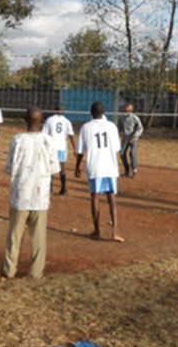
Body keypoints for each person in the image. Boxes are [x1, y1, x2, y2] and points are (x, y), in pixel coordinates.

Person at [3, 107, 60, 279]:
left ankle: (9, 269)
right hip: (40, 196)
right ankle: (36, 272)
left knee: (14, 235)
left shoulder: (17, 140)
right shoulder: (48, 141)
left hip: (21, 194)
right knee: (38, 238)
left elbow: (9, 167)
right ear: (42, 121)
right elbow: (54, 168)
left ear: (24, 120)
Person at [74, 102, 124, 243]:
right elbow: (116, 149)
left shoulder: (86, 127)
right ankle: (115, 232)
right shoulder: (112, 126)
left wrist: (77, 167)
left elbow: (80, 151)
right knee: (111, 197)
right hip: (110, 167)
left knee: (95, 197)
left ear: (91, 112)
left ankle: (97, 230)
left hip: (95, 166)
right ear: (104, 113)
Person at [42, 105, 75, 195]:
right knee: (62, 168)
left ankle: (50, 189)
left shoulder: (49, 120)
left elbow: (44, 134)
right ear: (63, 111)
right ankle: (63, 189)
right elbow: (71, 135)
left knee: (51, 167)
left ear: (55, 110)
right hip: (62, 147)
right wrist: (75, 148)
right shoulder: (66, 121)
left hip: (52, 147)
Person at [119, 103, 144, 178]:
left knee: (132, 152)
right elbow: (119, 127)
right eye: (127, 109)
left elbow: (140, 128)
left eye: (129, 109)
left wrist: (135, 136)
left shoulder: (135, 118)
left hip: (134, 137)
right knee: (122, 153)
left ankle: (135, 171)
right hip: (126, 138)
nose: (128, 111)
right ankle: (127, 170)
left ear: (132, 110)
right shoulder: (122, 117)